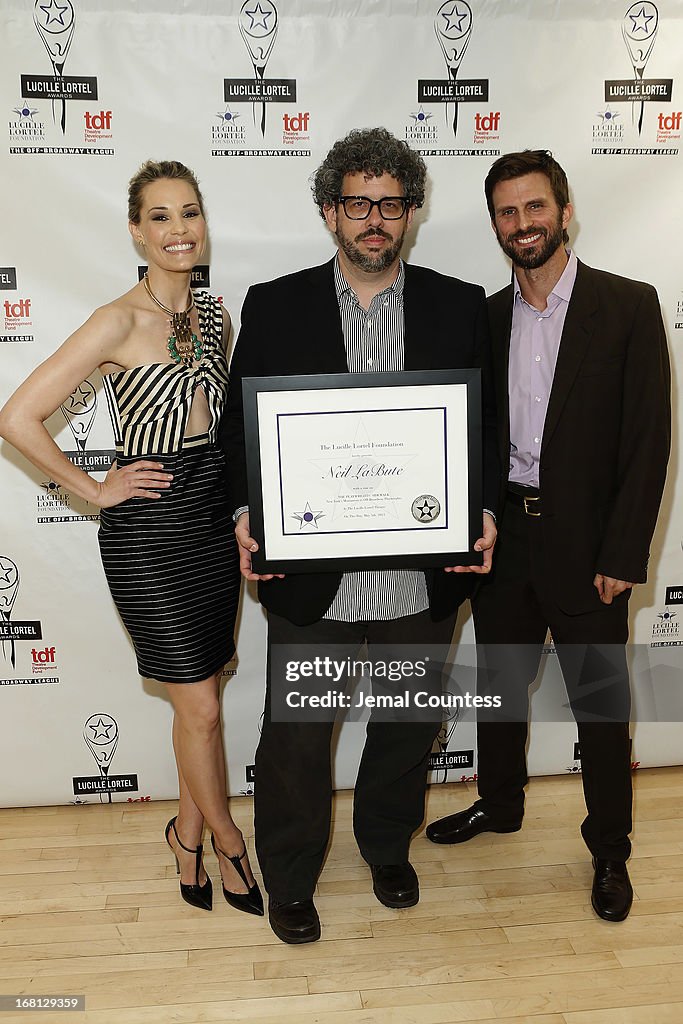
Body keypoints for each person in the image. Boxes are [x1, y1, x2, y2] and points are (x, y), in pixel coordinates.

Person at [220, 127, 499, 944]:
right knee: (299, 738)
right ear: (328, 212)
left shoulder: (456, 302)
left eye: (389, 203)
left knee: (407, 725)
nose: (373, 219)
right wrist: (246, 518)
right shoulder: (275, 303)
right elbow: (242, 437)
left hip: (422, 569)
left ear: (410, 212)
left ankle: (385, 847)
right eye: (356, 203)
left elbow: (482, 427)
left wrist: (478, 511)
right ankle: (292, 875)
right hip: (313, 572)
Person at [0, 159, 262, 918]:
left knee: (201, 700)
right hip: (148, 530)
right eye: (160, 217)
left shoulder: (215, 317)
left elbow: (224, 428)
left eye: (189, 213)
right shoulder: (117, 319)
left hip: (211, 517)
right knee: (203, 710)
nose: (179, 230)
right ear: (135, 230)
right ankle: (227, 844)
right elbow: (17, 418)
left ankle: (185, 834)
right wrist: (93, 488)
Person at [426, 149, 671, 922]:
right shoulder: (485, 317)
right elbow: (470, 434)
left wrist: (623, 554)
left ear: (564, 212)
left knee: (599, 704)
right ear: (495, 223)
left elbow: (647, 443)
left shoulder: (628, 305)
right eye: (507, 211)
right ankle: (499, 805)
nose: (522, 224)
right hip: (504, 542)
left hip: (589, 548)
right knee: (499, 689)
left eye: (535, 208)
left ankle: (609, 850)